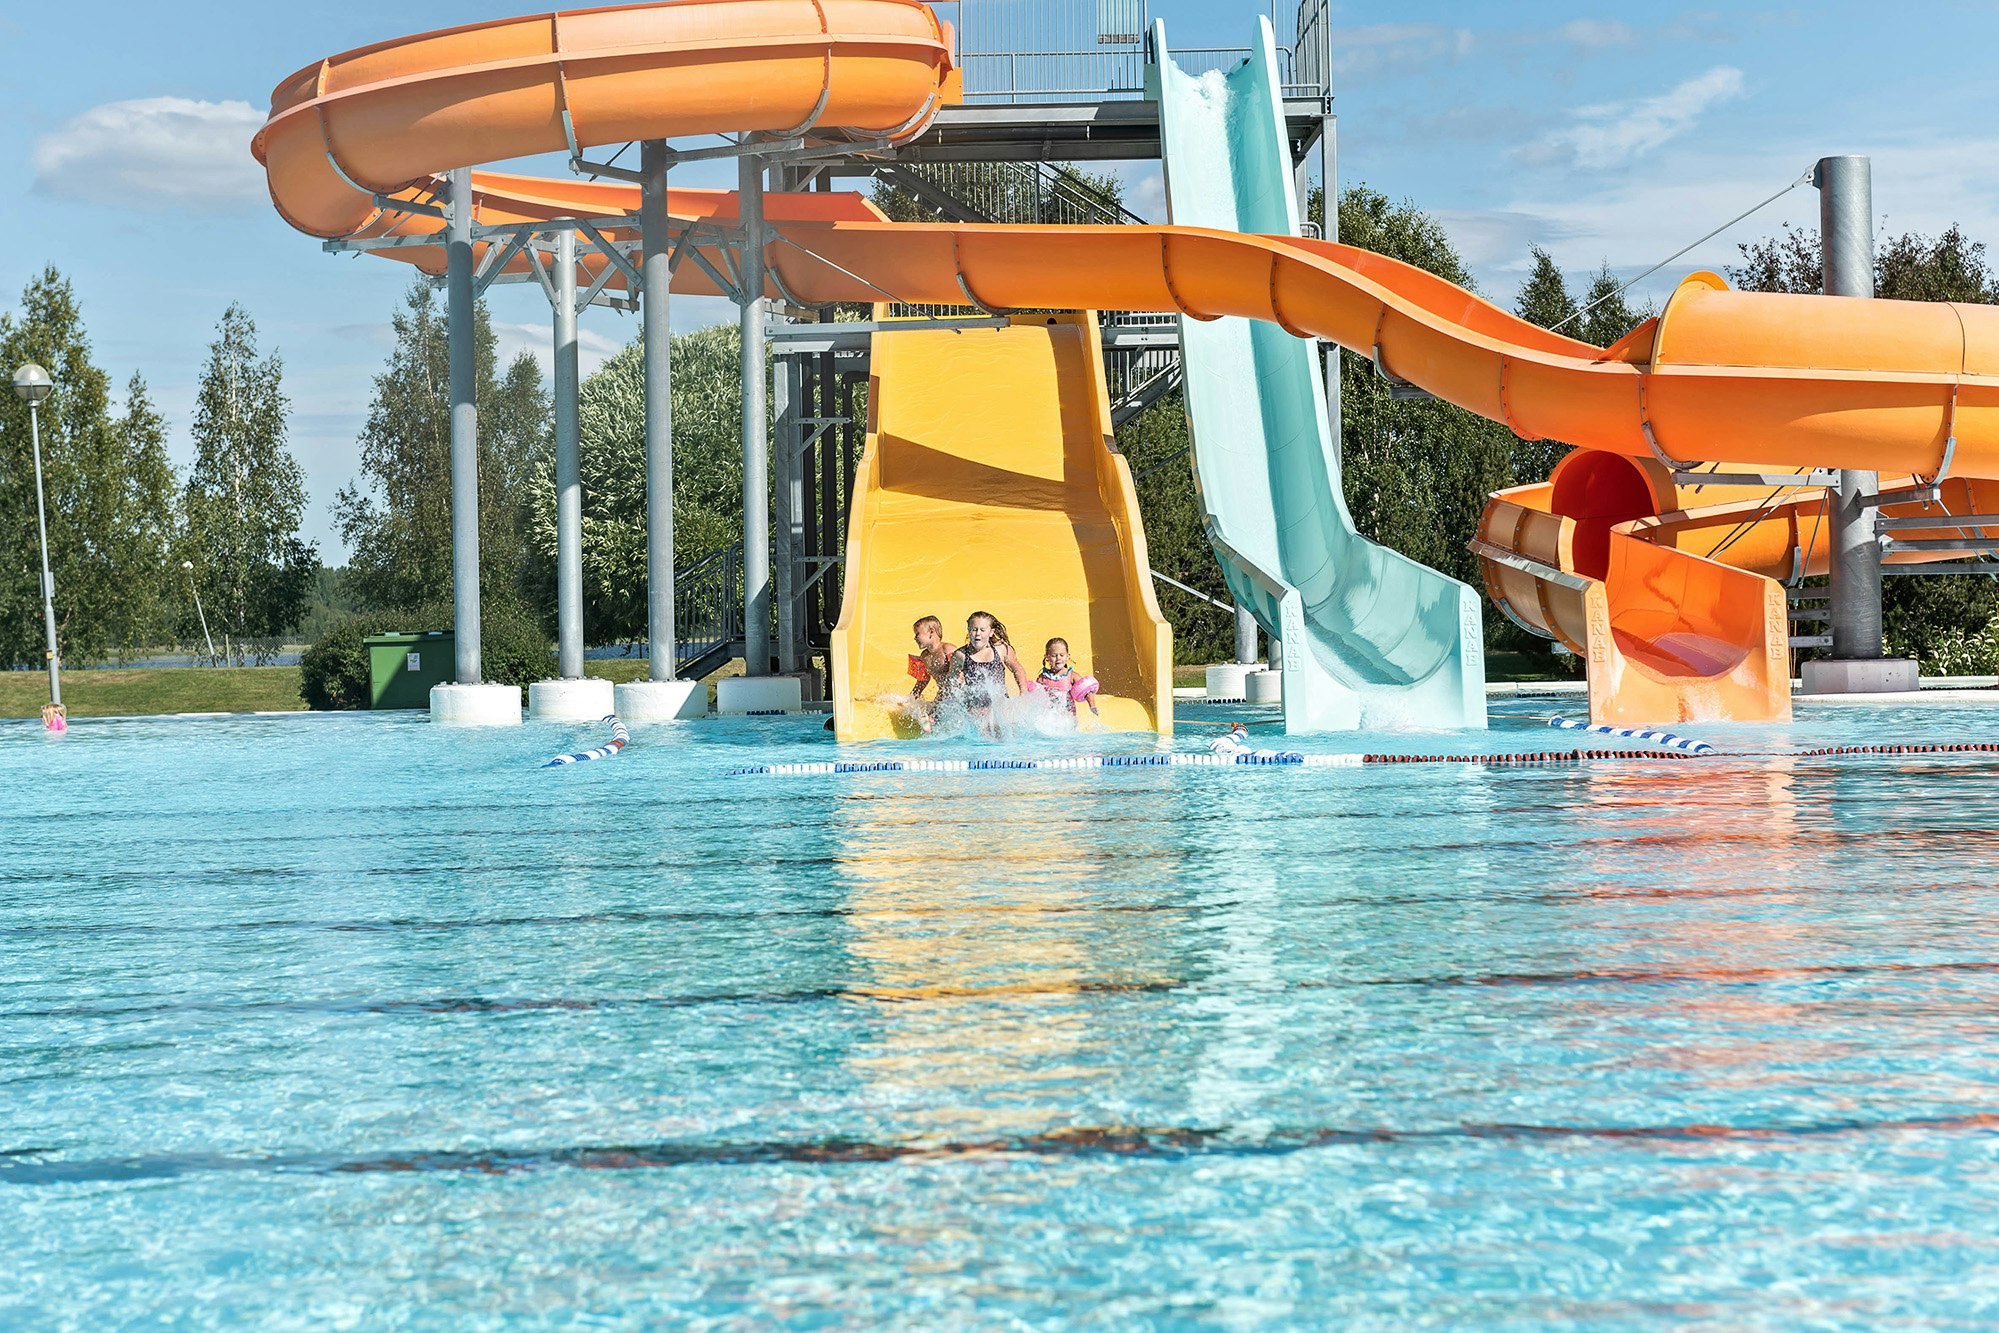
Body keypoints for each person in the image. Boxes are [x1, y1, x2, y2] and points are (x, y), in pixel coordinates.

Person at [948, 610, 1028, 733]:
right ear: (968, 630)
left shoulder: (1002, 650)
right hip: (975, 710)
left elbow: (1017, 669)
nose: (977, 634)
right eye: (974, 629)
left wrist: (1023, 693)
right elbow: (952, 682)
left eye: (982, 630)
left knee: (1003, 732)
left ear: (991, 632)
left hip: (1000, 708)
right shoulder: (960, 655)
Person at [906, 615, 957, 732]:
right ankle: (931, 723)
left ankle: (932, 721)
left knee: (937, 710)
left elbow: (962, 672)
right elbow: (923, 679)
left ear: (931, 632)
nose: (915, 638)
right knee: (930, 712)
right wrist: (912, 696)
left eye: (917, 634)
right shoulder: (924, 656)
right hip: (943, 694)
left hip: (958, 691)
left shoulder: (948, 649)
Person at [1034, 637, 1099, 718]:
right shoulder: (1043, 678)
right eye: (1054, 655)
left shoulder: (1071, 676)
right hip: (1050, 718)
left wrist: (1092, 706)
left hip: (1068, 718)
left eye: (1062, 655)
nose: (1058, 658)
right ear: (1047, 657)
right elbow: (1036, 697)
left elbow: (1088, 692)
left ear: (1067, 656)